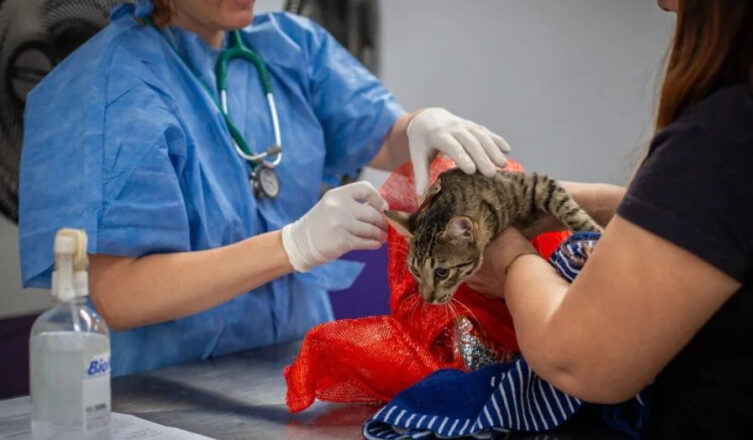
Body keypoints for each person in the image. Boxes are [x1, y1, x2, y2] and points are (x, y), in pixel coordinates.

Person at [18, 0, 510, 376]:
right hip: (161, 390)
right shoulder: (107, 88)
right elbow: (119, 296)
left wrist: (423, 126)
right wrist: (290, 245)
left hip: (294, 364)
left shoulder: (289, 47)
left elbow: (380, 134)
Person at [468, 0, 753, 438]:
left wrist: (508, 257)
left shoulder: (732, 137)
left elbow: (580, 360)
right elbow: (738, 224)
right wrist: (554, 203)